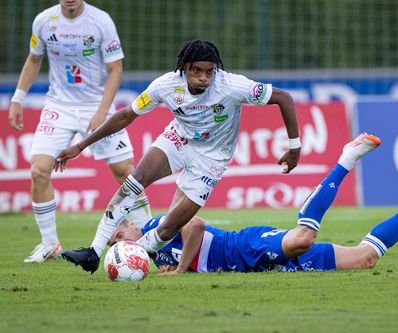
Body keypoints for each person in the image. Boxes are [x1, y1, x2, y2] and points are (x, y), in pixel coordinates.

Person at [55, 39, 301, 273]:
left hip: (212, 159)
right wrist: (81, 145)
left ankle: (133, 256)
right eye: (196, 70)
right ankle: (94, 252)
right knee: (135, 178)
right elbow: (126, 115)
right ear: (183, 67)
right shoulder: (166, 85)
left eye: (209, 71)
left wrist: (294, 147)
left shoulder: (232, 86)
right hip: (179, 140)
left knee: (171, 225)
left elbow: (283, 98)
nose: (203, 77)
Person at [108, 133, 398, 274]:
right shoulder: (151, 256)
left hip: (243, 250)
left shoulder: (155, 229)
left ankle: (346, 158)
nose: (120, 242)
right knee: (366, 258)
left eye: (117, 235)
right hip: (256, 269)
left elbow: (196, 225)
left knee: (302, 238)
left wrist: (182, 271)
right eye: (115, 245)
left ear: (127, 222)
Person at [8, 0, 152, 263]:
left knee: (127, 172)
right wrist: (18, 98)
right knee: (38, 169)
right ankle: (49, 243)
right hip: (59, 106)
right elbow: (33, 60)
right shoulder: (43, 21)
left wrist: (102, 111)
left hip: (97, 105)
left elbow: (115, 69)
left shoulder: (100, 22)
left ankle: (150, 239)